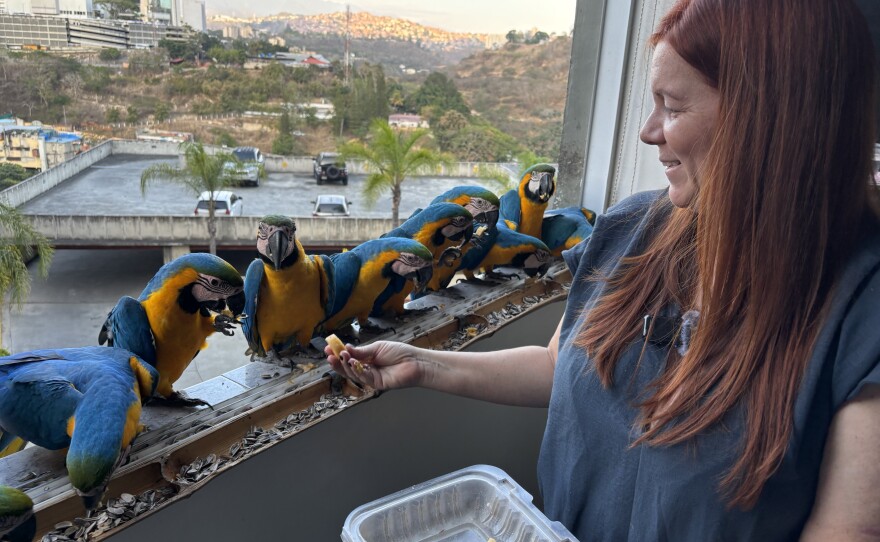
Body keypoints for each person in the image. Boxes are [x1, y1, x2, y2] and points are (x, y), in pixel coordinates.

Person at [327, 0, 880, 539]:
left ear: (767, 120)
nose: (647, 130)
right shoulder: (630, 230)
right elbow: (557, 365)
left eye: (673, 106)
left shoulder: (863, 309)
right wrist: (422, 366)